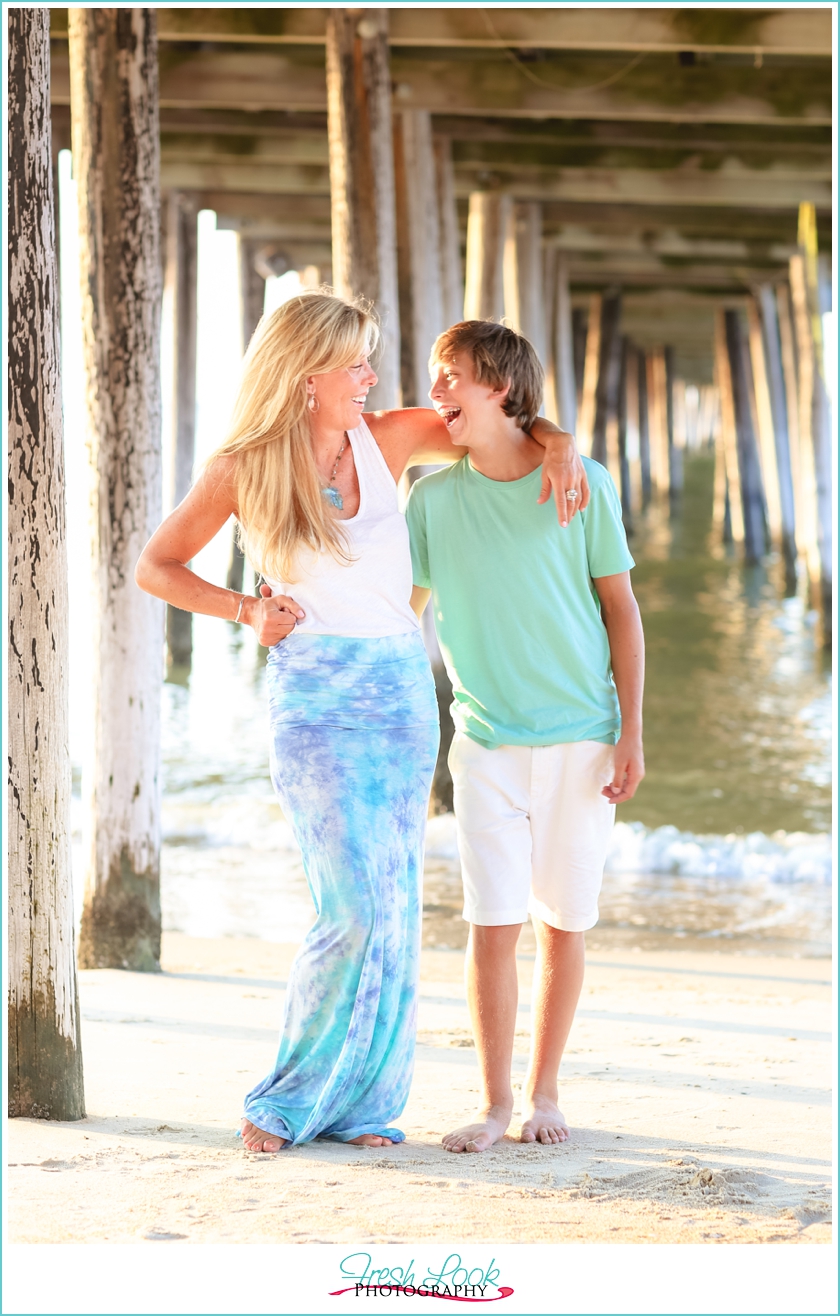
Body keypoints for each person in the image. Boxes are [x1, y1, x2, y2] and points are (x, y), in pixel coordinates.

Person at [135, 290, 588, 1153]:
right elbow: (158, 565)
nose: (370, 376)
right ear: (306, 374)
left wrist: (560, 444)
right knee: (346, 908)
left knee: (395, 906)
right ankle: (282, 1102)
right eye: (354, 362)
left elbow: (501, 424)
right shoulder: (244, 467)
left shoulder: (385, 438)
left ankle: (363, 1110)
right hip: (314, 698)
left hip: (401, 693)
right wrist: (242, 610)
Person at [406, 320, 645, 1153]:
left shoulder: (581, 484)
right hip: (483, 742)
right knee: (491, 924)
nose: (436, 393)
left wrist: (632, 733)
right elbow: (403, 613)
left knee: (564, 924)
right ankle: (496, 1103)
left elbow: (621, 609)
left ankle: (547, 1095)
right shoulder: (430, 498)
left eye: (451, 377)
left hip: (583, 737)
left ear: (499, 387)